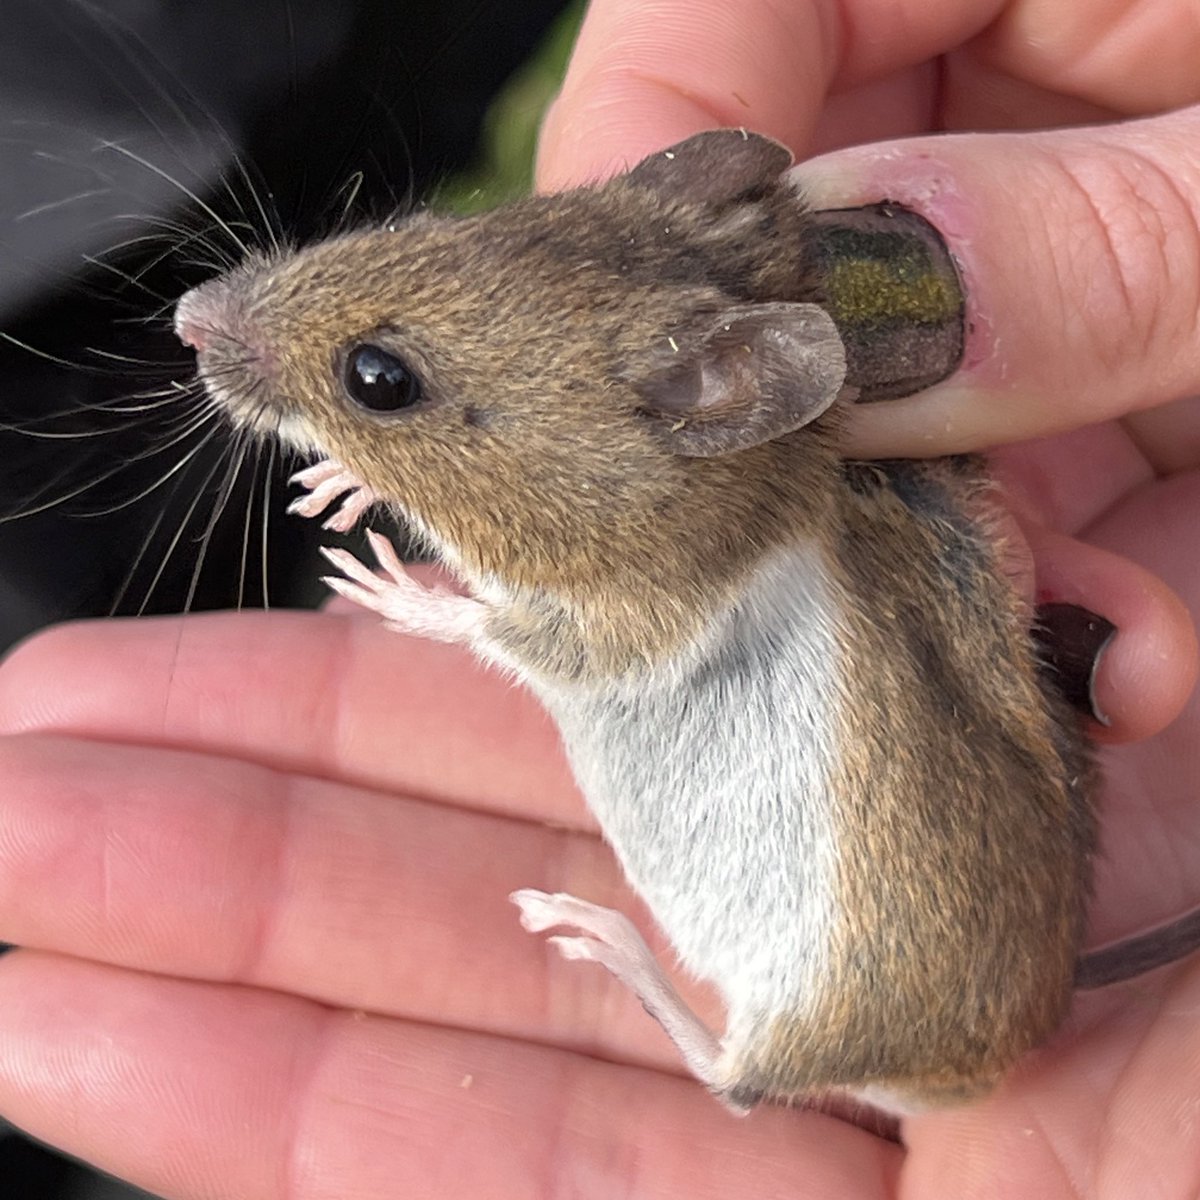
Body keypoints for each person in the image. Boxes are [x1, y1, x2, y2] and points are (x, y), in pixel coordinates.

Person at [0, 2, 1198, 1195]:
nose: (199, 320)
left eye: (380, 378)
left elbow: (625, 627)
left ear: (706, 401)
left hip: (885, 1005)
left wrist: (461, 614)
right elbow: (530, 500)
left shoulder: (674, 530)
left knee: (785, 1040)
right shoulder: (654, 488)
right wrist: (378, 444)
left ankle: (726, 1055)